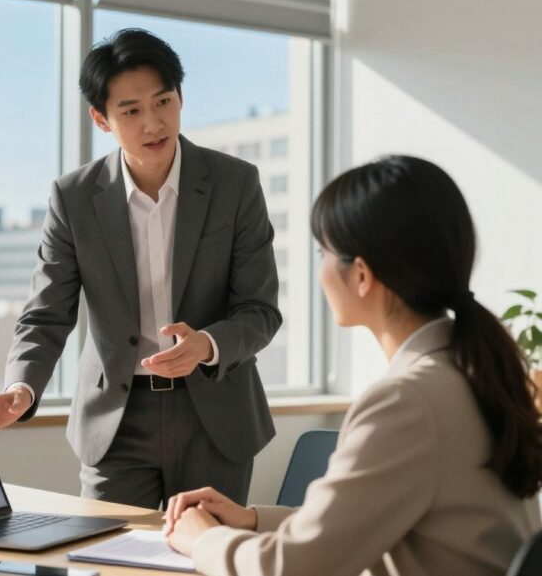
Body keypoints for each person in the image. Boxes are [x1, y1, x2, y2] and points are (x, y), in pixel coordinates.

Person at [163, 155, 542, 574]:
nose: (320, 266)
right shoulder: (472, 371)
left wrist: (204, 540)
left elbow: (295, 568)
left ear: (361, 275)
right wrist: (253, 519)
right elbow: (371, 526)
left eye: (324, 250)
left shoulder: (407, 402)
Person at [0, 28, 282, 509]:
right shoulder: (74, 197)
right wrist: (22, 384)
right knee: (107, 555)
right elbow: (46, 313)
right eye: (131, 111)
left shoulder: (236, 184)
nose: (153, 123)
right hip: (116, 419)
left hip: (215, 413)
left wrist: (206, 344)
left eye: (163, 102)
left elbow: (260, 310)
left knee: (207, 557)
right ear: (101, 119)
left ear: (181, 96)